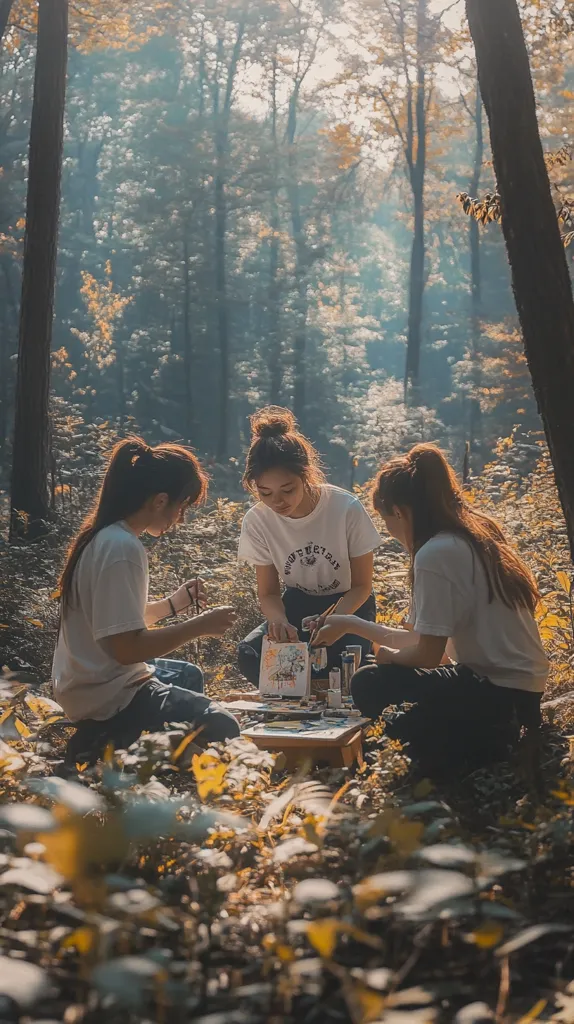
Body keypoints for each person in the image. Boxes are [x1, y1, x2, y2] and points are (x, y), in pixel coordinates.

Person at [311, 444, 548, 776]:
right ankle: (471, 735)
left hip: (495, 692)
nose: (390, 532)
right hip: (516, 688)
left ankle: (486, 740)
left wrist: (388, 656)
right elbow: (422, 640)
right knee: (369, 682)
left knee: (386, 712)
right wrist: (349, 623)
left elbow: (427, 656)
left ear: (400, 512)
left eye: (386, 520)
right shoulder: (473, 535)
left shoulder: (435, 554)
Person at [53, 437, 240, 768]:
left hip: (84, 684)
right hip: (109, 695)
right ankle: (106, 740)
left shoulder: (104, 536)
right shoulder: (122, 548)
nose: (179, 519)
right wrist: (200, 626)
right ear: (161, 500)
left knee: (187, 676)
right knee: (224, 726)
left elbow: (117, 620)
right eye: (181, 507)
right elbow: (125, 649)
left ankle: (140, 743)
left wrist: (171, 605)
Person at [236, 407, 382, 685]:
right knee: (250, 654)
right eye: (265, 493)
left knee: (344, 663)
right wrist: (279, 622)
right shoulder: (257, 520)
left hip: (348, 603)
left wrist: (336, 620)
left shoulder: (345, 508)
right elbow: (268, 592)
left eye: (287, 489)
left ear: (306, 475)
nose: (277, 501)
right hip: (297, 604)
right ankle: (295, 698)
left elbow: (363, 586)